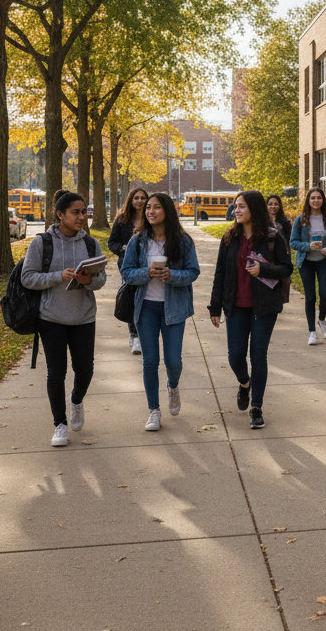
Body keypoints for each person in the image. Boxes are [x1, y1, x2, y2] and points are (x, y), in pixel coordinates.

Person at [21, 191, 106, 448]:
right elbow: (28, 277)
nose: (81, 217)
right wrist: (58, 276)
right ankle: (60, 424)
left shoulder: (90, 244)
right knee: (56, 372)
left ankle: (77, 400)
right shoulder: (42, 243)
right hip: (51, 317)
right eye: (75, 212)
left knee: (86, 370)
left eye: (84, 212)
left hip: (83, 318)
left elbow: (101, 280)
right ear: (60, 215)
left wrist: (88, 280)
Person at [208, 190, 293, 428]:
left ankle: (256, 407)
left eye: (241, 206)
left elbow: (287, 268)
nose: (237, 210)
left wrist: (262, 270)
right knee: (235, 356)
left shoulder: (272, 237)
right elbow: (220, 273)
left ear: (254, 209)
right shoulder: (229, 237)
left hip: (263, 307)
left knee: (258, 355)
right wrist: (215, 307)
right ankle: (245, 383)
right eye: (235, 206)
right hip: (235, 306)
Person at [120, 193, 200, 432]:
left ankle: (173, 386)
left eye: (156, 207)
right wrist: (147, 273)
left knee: (173, 361)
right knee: (150, 361)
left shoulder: (183, 241)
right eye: (148, 208)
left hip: (174, 308)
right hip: (146, 307)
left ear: (167, 211)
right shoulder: (138, 241)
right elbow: (126, 273)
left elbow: (193, 272)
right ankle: (154, 410)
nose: (150, 211)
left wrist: (171, 276)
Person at [290, 186, 326, 344]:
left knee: (325, 294)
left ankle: (322, 319)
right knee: (310, 297)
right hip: (306, 262)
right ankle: (312, 332)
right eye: (313, 198)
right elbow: (293, 242)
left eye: (318, 198)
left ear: (323, 200)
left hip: (324, 261)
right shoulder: (301, 220)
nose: (316, 200)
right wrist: (308, 246)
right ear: (308, 201)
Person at [108, 187, 148, 355]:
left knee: (145, 300)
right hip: (127, 265)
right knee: (132, 299)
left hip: (147, 265)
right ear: (131, 200)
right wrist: (123, 248)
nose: (139, 201)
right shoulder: (122, 219)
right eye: (136, 198)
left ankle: (140, 334)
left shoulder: (151, 218)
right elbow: (112, 242)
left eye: (143, 198)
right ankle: (135, 336)